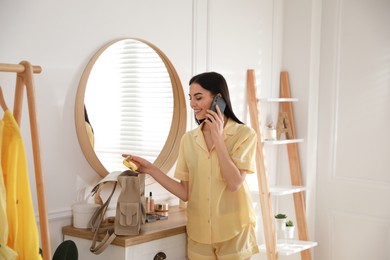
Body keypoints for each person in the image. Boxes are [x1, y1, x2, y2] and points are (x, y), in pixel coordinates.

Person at [123, 72, 259, 260]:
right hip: (199, 233)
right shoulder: (189, 140)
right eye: (190, 98)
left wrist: (218, 139)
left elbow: (235, 183)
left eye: (198, 97)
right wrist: (150, 169)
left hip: (234, 232)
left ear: (218, 99)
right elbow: (185, 192)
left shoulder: (244, 134)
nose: (192, 104)